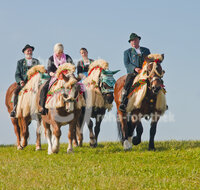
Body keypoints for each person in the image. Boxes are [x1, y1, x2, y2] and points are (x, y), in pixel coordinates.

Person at [119, 33, 151, 112]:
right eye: (131, 41)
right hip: (134, 73)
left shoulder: (146, 50)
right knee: (128, 83)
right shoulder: (127, 52)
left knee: (156, 80)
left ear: (138, 40)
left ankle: (160, 100)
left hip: (145, 72)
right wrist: (135, 69)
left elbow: (150, 61)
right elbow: (127, 64)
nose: (133, 42)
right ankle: (123, 101)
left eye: (135, 40)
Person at [39, 43, 74, 115]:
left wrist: (70, 72)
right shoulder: (51, 59)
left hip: (67, 76)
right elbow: (49, 70)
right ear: (55, 52)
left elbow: (72, 66)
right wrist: (52, 74)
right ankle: (43, 108)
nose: (60, 54)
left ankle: (82, 106)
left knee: (78, 87)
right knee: (44, 89)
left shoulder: (67, 57)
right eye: (59, 52)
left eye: (61, 52)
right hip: (55, 76)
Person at [10, 44, 40, 117]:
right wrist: (20, 81)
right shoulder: (20, 62)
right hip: (24, 83)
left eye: (30, 50)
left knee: (42, 91)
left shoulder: (36, 61)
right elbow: (17, 74)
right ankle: (14, 109)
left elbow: (39, 72)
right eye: (28, 51)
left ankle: (41, 108)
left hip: (34, 83)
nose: (29, 52)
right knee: (16, 92)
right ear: (24, 52)